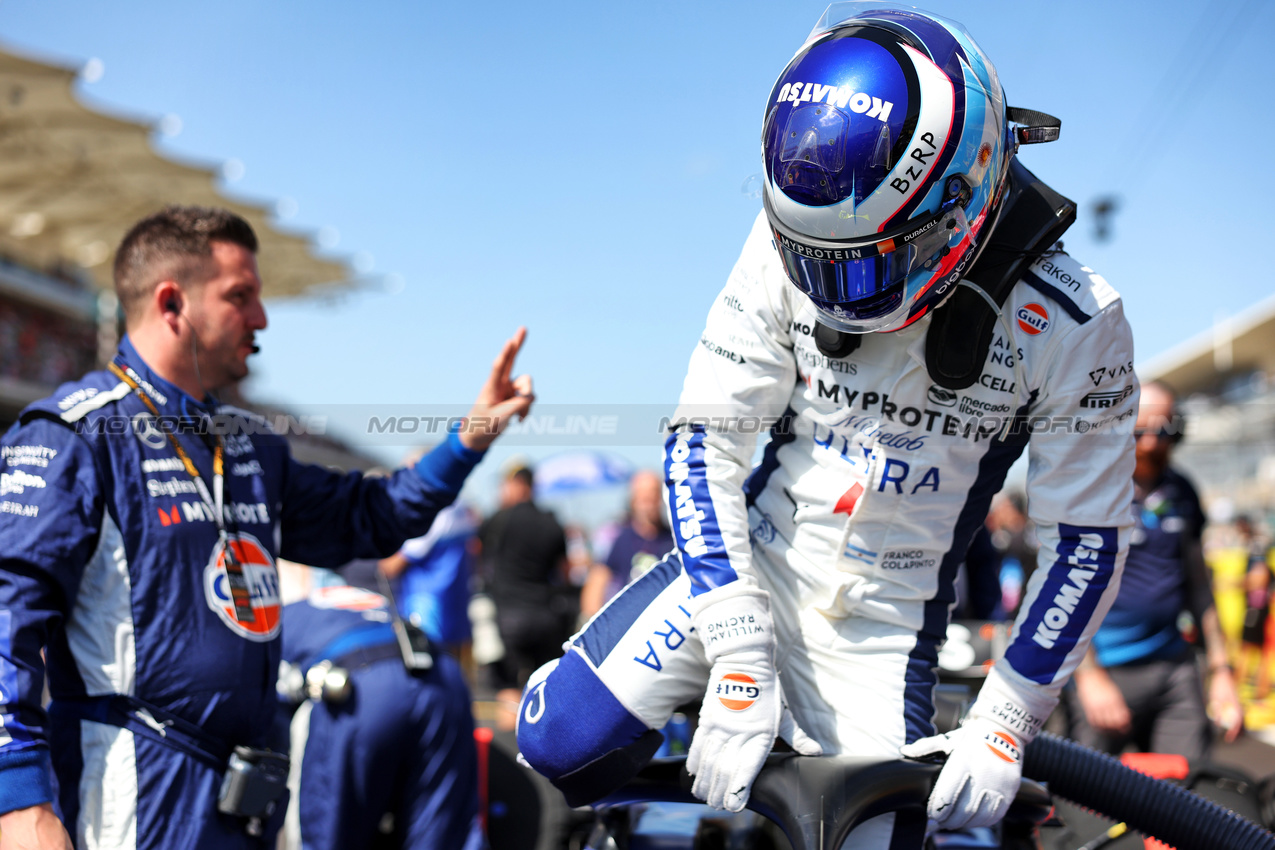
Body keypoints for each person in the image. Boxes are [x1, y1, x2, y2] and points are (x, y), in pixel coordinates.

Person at [517, 8, 1138, 848]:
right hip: (752, 564)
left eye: (864, 259)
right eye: (810, 256)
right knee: (555, 740)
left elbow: (1085, 541)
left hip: (882, 629)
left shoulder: (1075, 317)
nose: (832, 287)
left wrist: (1008, 715)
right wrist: (738, 649)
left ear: (968, 186)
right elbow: (703, 440)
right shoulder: (800, 219)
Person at [0, 205, 533, 849]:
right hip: (132, 793)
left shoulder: (250, 448)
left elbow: (375, 516)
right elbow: (6, 620)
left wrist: (469, 438)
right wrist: (18, 799)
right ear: (173, 303)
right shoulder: (76, 437)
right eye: (240, 297)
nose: (262, 319)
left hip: (247, 793)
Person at [1065, 381, 1244, 762]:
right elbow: (1063, 587)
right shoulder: (1090, 490)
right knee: (1086, 800)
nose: (1150, 443)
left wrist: (1221, 671)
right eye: (1139, 431)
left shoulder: (1182, 492)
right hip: (1104, 670)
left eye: (1163, 431)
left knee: (1187, 800)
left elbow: (1199, 586)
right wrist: (1089, 676)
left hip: (1172, 666)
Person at [275, 560, 482, 850]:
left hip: (359, 689)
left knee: (330, 833)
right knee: (443, 837)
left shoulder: (282, 615)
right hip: (441, 675)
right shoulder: (366, 598)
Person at [477, 464, 570, 705]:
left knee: (508, 692)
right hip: (545, 618)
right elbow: (565, 571)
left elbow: (476, 554)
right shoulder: (551, 522)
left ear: (517, 485)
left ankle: (510, 742)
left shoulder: (499, 519)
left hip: (507, 619)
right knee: (543, 695)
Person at [380, 500, 481, 666]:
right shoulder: (462, 510)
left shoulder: (431, 513)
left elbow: (391, 566)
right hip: (456, 610)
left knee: (431, 675)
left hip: (426, 612)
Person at [579, 470, 675, 620]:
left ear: (660, 499)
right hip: (629, 622)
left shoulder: (672, 540)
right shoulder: (620, 538)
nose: (648, 505)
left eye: (652, 498)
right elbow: (597, 579)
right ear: (633, 501)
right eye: (643, 499)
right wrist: (591, 620)